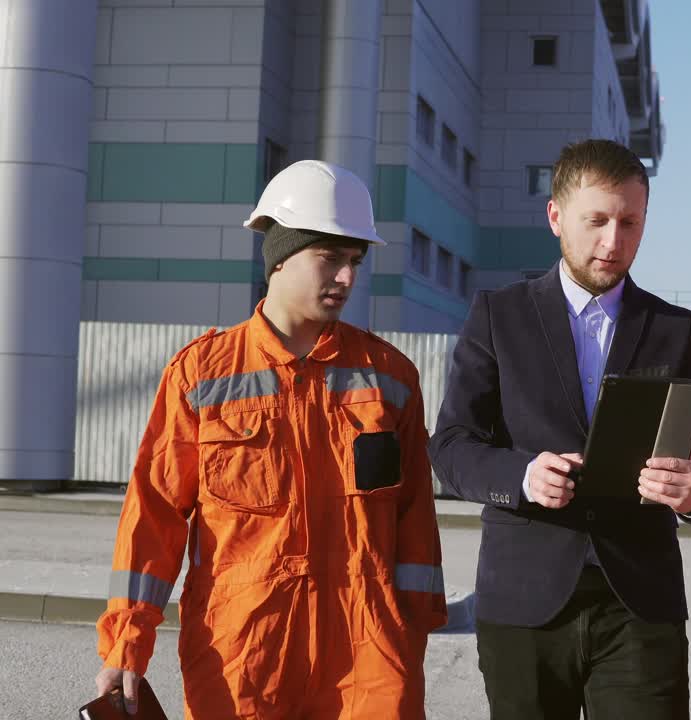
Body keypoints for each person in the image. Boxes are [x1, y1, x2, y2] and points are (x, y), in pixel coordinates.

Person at [93, 160, 446, 718]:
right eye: (329, 257)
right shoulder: (201, 375)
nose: (347, 277)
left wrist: (409, 637)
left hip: (367, 658)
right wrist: (125, 644)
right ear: (279, 257)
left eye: (355, 260)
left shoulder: (391, 378)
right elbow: (153, 517)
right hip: (243, 655)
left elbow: (415, 526)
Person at [429, 138, 691, 720]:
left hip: (639, 602)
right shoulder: (499, 315)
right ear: (556, 217)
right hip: (524, 601)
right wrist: (522, 475)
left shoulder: (676, 329)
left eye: (630, 222)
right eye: (596, 221)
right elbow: (451, 444)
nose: (613, 242)